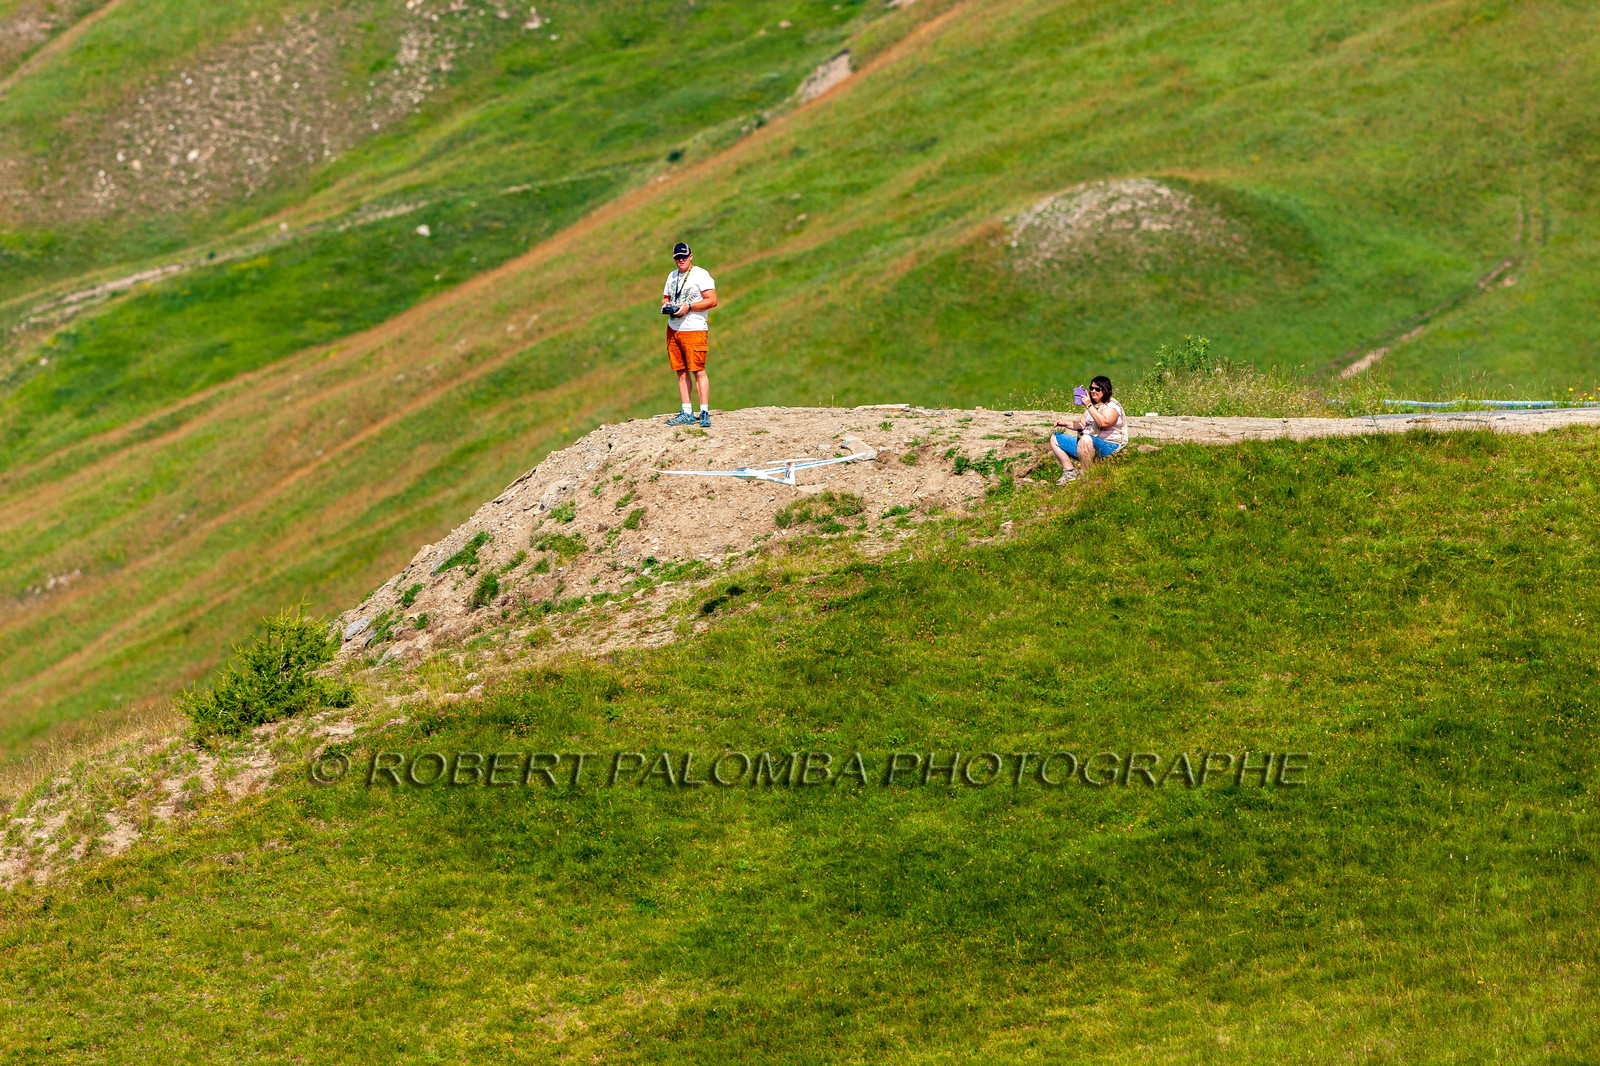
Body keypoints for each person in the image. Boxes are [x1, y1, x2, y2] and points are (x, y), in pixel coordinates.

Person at [661, 242, 718, 427]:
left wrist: (690, 307)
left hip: (694, 328)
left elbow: (712, 300)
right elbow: (666, 297)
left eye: (684, 256)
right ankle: (686, 410)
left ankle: (704, 411)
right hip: (674, 328)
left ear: (691, 256)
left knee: (698, 369)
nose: (681, 260)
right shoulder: (672, 276)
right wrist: (666, 306)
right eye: (677, 257)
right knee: (681, 370)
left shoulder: (701, 275)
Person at [1049, 375, 1125, 484]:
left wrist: (1089, 405)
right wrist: (1064, 423)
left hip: (1109, 446)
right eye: (1091, 388)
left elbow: (1103, 423)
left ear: (1105, 390)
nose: (1093, 391)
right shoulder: (1093, 406)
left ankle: (1087, 475)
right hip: (1089, 443)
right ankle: (1069, 472)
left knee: (1085, 438)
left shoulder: (1112, 406)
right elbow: (1081, 424)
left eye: (1097, 389)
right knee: (1055, 438)